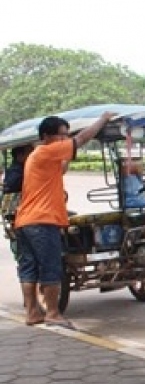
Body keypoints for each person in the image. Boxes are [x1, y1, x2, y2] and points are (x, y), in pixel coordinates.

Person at [15, 111, 116, 328]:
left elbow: (63, 166)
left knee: (29, 268)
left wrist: (67, 150)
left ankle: (32, 312)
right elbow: (81, 141)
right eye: (61, 135)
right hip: (43, 221)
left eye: (66, 135)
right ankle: (52, 312)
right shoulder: (45, 152)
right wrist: (103, 119)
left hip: (26, 221)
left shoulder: (39, 157)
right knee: (51, 267)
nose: (65, 139)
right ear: (46, 136)